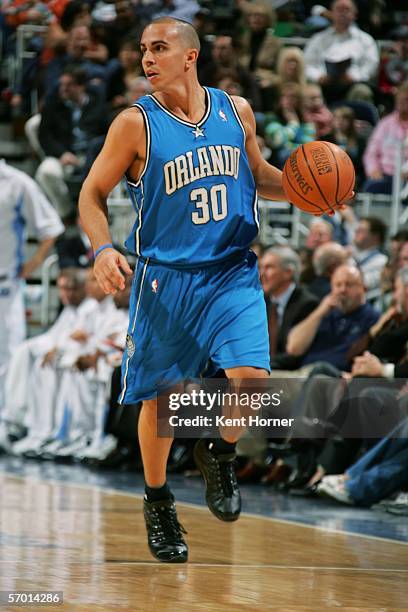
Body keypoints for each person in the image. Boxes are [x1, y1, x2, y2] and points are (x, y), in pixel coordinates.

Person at [78, 17, 344, 564]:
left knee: (250, 376)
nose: (148, 59)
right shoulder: (135, 124)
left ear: (190, 56)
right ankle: (157, 501)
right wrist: (104, 249)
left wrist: (303, 193)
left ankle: (219, 453)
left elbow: (260, 174)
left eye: (160, 48)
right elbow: (90, 194)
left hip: (230, 270)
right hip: (165, 278)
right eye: (143, 50)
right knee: (163, 402)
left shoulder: (235, 110)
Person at [0, 159, 64, 412]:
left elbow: (51, 227)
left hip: (5, 288)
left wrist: (33, 263)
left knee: (7, 358)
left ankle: (5, 424)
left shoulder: (16, 183)